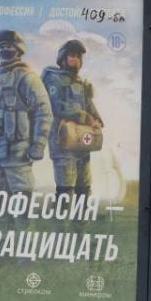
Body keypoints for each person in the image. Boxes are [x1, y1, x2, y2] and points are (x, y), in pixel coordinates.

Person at [0, 30, 52, 196]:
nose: (4, 50)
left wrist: (38, 145)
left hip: (19, 153)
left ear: (18, 49)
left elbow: (44, 112)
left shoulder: (28, 77)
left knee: (21, 199)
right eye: (1, 47)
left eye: (9, 46)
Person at [41, 39, 104, 197]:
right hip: (62, 138)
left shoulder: (81, 83)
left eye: (78, 56)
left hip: (82, 139)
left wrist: (97, 119)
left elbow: (88, 103)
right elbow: (56, 105)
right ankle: (63, 221)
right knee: (66, 187)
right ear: (63, 58)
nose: (75, 59)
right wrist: (84, 116)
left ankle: (81, 220)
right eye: (72, 55)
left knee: (84, 185)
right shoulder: (53, 79)